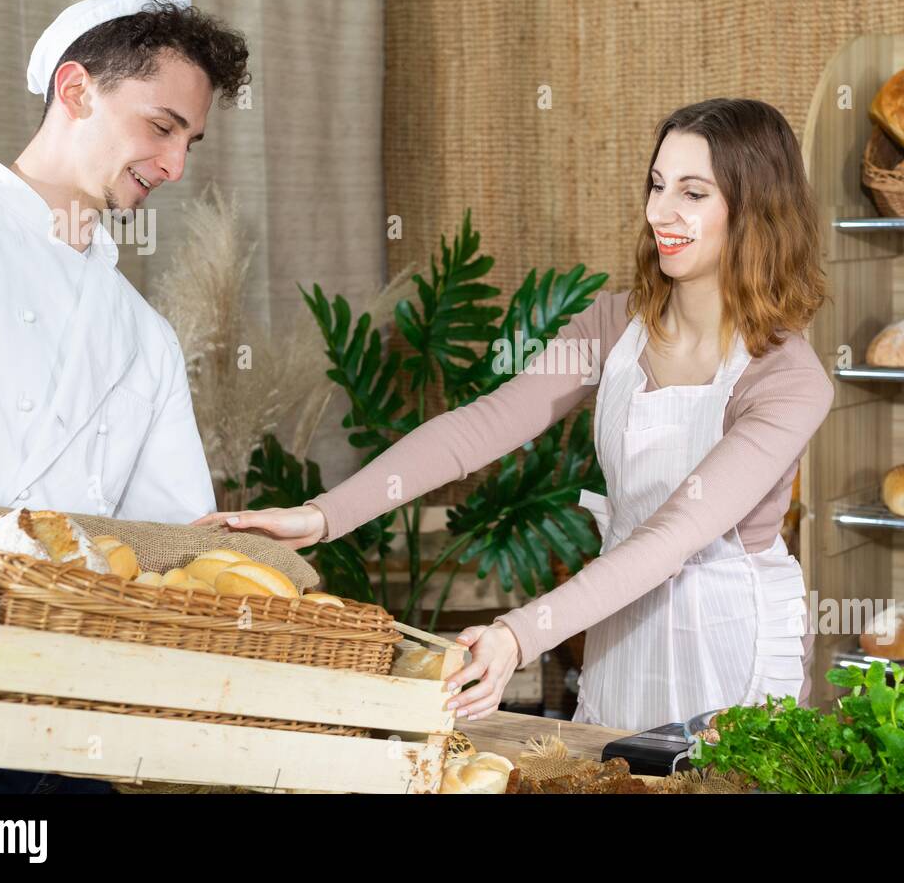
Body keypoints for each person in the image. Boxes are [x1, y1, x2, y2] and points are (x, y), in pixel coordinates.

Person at [194, 98, 834, 733]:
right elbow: (482, 426)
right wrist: (323, 515)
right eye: (657, 184)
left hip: (734, 643)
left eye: (693, 194)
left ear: (753, 212)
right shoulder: (612, 328)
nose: (659, 212)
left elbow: (673, 537)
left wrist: (518, 634)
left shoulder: (788, 380)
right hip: (619, 628)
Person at [0, 0, 250, 793]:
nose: (175, 166)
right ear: (76, 89)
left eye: (191, 141)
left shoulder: (145, 340)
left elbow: (167, 546)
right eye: (161, 127)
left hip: (68, 728)